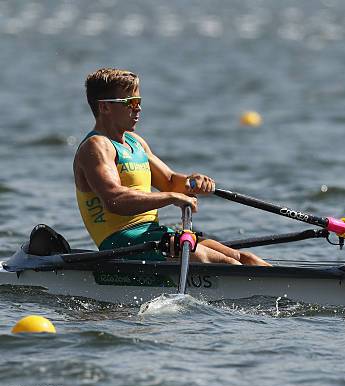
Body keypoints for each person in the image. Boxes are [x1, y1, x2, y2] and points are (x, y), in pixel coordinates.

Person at [74, 68, 268, 266]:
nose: (138, 108)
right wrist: (172, 198)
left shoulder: (135, 142)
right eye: (131, 102)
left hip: (153, 235)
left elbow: (169, 181)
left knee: (246, 259)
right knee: (219, 263)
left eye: (139, 101)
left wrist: (193, 182)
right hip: (122, 244)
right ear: (105, 107)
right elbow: (115, 200)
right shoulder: (96, 146)